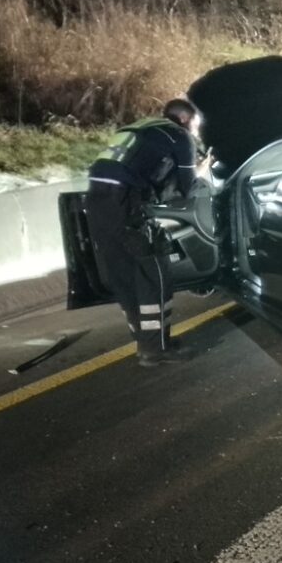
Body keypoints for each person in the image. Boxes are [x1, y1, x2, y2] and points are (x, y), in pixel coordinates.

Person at [87, 98, 207, 366]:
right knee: (155, 269)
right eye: (196, 127)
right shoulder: (180, 137)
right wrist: (203, 170)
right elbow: (188, 189)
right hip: (124, 199)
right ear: (186, 120)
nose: (196, 133)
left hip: (95, 199)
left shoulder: (139, 128)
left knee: (124, 273)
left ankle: (145, 341)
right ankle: (156, 350)